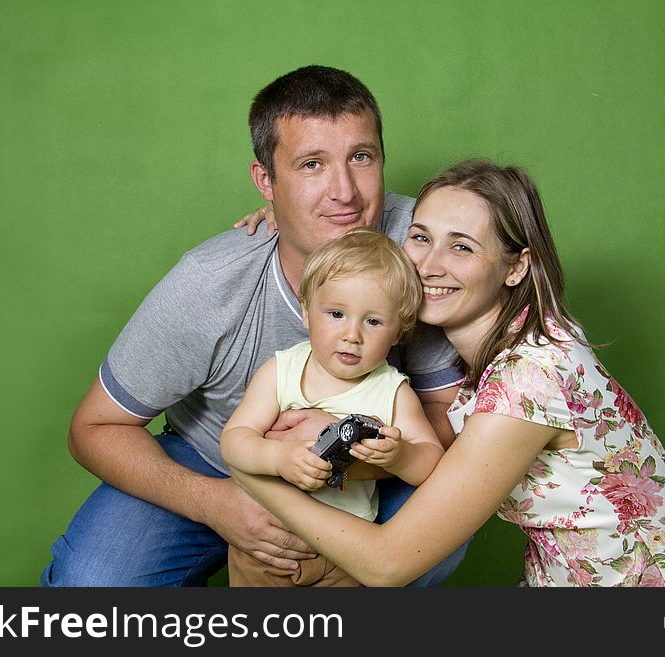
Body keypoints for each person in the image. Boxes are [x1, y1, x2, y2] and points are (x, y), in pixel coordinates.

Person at [41, 65, 469, 587]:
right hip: (214, 459)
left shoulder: (421, 247)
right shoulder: (208, 286)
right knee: (93, 583)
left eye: (361, 157)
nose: (345, 193)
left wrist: (345, 455)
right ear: (266, 181)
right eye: (311, 164)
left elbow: (451, 415)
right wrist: (217, 504)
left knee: (445, 522)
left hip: (370, 468)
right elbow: (92, 429)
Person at [229, 158, 665, 587]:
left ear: (516, 267)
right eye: (420, 238)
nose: (429, 265)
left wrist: (257, 473)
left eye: (462, 247)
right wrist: (290, 218)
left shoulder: (530, 378)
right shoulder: (534, 333)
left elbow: (387, 565)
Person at [222, 229, 444, 586]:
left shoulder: (393, 391)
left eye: (373, 321)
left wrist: (399, 456)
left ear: (399, 332)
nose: (351, 335)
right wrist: (277, 458)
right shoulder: (282, 370)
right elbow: (234, 441)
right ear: (306, 311)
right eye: (336, 313)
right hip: (267, 545)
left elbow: (431, 461)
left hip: (347, 553)